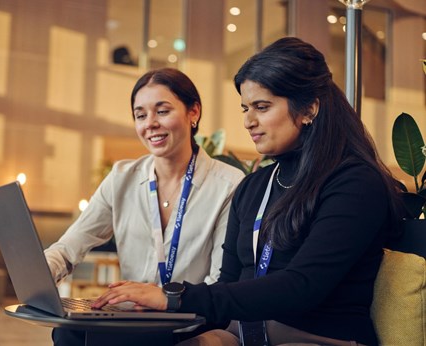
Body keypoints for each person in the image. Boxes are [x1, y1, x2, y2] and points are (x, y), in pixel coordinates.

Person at [92, 37, 404, 346]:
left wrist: (175, 297)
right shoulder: (254, 186)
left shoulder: (355, 183)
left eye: (262, 107)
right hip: (246, 335)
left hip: (320, 337)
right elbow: (229, 286)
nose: (248, 121)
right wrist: (146, 318)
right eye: (245, 108)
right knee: (86, 336)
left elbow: (302, 286)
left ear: (309, 107)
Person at [44, 67, 245, 345]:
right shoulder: (122, 177)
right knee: (68, 330)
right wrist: (43, 271)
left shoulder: (229, 184)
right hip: (133, 315)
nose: (149, 123)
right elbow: (69, 247)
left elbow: (221, 282)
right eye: (141, 115)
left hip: (190, 318)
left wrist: (170, 298)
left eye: (162, 111)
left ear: (194, 112)